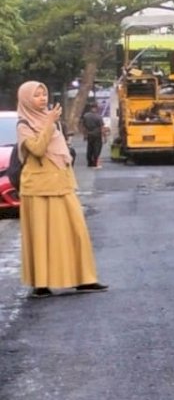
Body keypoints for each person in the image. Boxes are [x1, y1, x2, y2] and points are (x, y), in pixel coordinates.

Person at [16, 81, 108, 298]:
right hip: (38, 188)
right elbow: (37, 149)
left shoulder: (53, 122)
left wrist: (51, 124)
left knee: (76, 231)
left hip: (62, 183)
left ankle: (84, 279)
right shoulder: (24, 125)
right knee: (42, 237)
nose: (42, 99)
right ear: (27, 99)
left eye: (44, 94)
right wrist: (48, 123)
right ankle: (41, 284)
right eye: (37, 95)